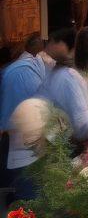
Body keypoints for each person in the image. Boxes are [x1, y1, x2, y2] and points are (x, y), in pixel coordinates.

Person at [9, 29, 88, 202]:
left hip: (26, 154)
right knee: (38, 206)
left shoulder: (53, 70)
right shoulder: (64, 75)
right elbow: (82, 126)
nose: (47, 44)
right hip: (35, 157)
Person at [0, 34, 47, 195]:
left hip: (23, 148)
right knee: (27, 200)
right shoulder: (21, 73)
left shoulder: (23, 69)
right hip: (23, 151)